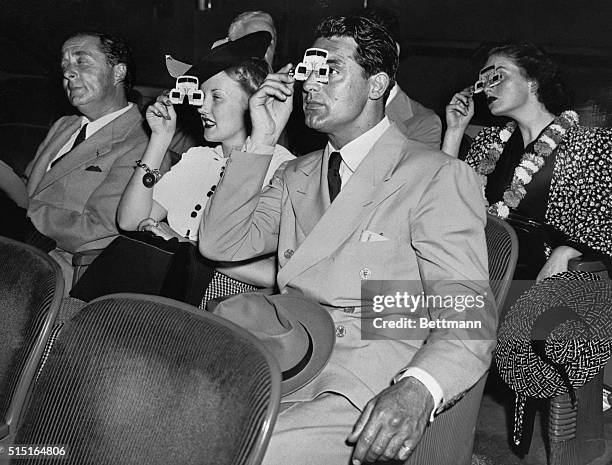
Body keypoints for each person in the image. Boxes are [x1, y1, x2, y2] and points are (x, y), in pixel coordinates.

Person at [199, 15, 496, 465]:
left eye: (330, 70)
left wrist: (419, 387)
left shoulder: (436, 174)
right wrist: (260, 140)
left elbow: (467, 310)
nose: (311, 85)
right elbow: (221, 245)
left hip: (369, 378)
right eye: (308, 70)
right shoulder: (294, 172)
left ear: (376, 85)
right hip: (288, 352)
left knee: (235, 453)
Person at [117, 31, 294, 304]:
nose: (202, 107)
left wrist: (188, 248)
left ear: (253, 102)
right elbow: (129, 220)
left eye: (217, 97)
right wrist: (159, 141)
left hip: (232, 301)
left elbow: (281, 275)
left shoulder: (283, 169)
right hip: (172, 285)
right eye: (201, 96)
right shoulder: (198, 159)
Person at [443, 42, 612, 281]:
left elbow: (603, 223)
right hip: (485, 269)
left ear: (533, 81)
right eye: (484, 81)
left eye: (498, 76)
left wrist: (567, 250)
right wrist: (454, 131)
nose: (488, 88)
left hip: (551, 280)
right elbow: (444, 203)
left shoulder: (590, 144)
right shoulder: (490, 142)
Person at [0, 31, 149, 288]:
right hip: (15, 246)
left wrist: (20, 213)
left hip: (57, 268)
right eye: (65, 65)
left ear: (118, 72)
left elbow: (100, 229)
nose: (68, 72)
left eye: (81, 61)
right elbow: (27, 187)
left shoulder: (142, 143)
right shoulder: (65, 125)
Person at [356, 6, 442, 149]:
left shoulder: (423, 122)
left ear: (393, 52)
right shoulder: (332, 108)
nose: (358, 59)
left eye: (368, 51)